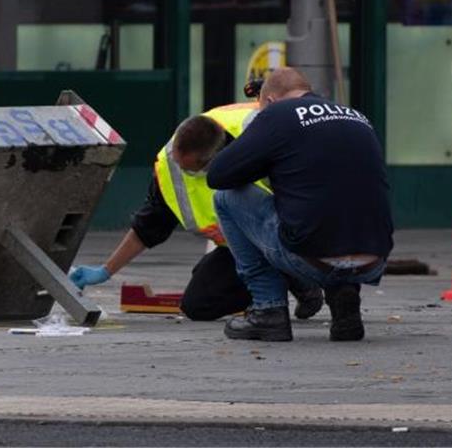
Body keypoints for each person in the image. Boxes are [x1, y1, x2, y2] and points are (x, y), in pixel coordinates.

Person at [68, 102, 324, 321]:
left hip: (291, 236)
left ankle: (299, 281)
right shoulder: (169, 166)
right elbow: (147, 227)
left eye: (191, 168)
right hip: (243, 249)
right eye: (180, 164)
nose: (182, 172)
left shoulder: (256, 141)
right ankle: (291, 278)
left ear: (218, 158)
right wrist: (105, 271)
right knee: (198, 304)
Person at [206, 67, 394, 342]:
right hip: (373, 261)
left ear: (268, 101)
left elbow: (218, 175)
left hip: (311, 258)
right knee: (336, 202)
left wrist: (264, 162)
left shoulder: (277, 115)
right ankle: (345, 299)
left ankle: (267, 310)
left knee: (225, 198)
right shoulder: (357, 116)